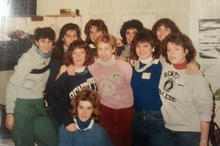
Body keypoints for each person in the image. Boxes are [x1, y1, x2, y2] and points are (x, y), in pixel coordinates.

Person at [5, 27, 57, 146]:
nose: (46, 45)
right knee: (25, 143)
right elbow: (12, 85)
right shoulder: (28, 59)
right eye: (43, 41)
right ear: (37, 42)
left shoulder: (48, 56)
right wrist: (9, 113)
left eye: (49, 41)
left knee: (51, 140)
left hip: (38, 103)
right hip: (22, 104)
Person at [159, 33, 213, 146]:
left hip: (190, 133)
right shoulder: (165, 67)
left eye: (177, 49)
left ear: (186, 51)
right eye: (169, 50)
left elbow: (205, 111)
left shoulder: (196, 77)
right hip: (167, 129)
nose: (172, 53)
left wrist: (203, 140)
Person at [88, 34, 134, 146]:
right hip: (105, 109)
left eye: (107, 48)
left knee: (124, 140)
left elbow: (129, 82)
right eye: (100, 49)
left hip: (124, 109)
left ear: (113, 49)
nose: (103, 53)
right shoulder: (93, 65)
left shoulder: (124, 66)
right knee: (106, 139)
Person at [130, 29, 169, 146]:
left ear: (153, 48)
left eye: (145, 46)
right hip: (137, 115)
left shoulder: (162, 64)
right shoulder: (132, 65)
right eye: (138, 46)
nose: (141, 50)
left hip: (157, 115)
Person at [49, 40, 97, 133]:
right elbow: (56, 103)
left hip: (94, 119)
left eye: (82, 52)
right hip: (74, 122)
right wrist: (67, 121)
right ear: (70, 55)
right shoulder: (66, 76)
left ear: (87, 54)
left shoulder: (93, 70)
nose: (78, 56)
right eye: (74, 53)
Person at [45, 23, 82, 130]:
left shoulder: (80, 50)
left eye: (75, 36)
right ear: (62, 38)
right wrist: (60, 73)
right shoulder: (55, 55)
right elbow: (50, 86)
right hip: (57, 101)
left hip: (73, 98)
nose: (72, 39)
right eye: (68, 36)